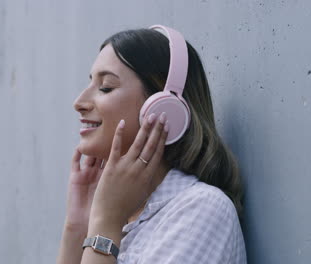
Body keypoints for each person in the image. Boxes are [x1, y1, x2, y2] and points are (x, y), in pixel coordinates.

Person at [56, 25, 246, 264]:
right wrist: (77, 228)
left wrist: (105, 224)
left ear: (162, 109)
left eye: (105, 87)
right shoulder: (123, 221)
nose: (79, 102)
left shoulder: (201, 210)